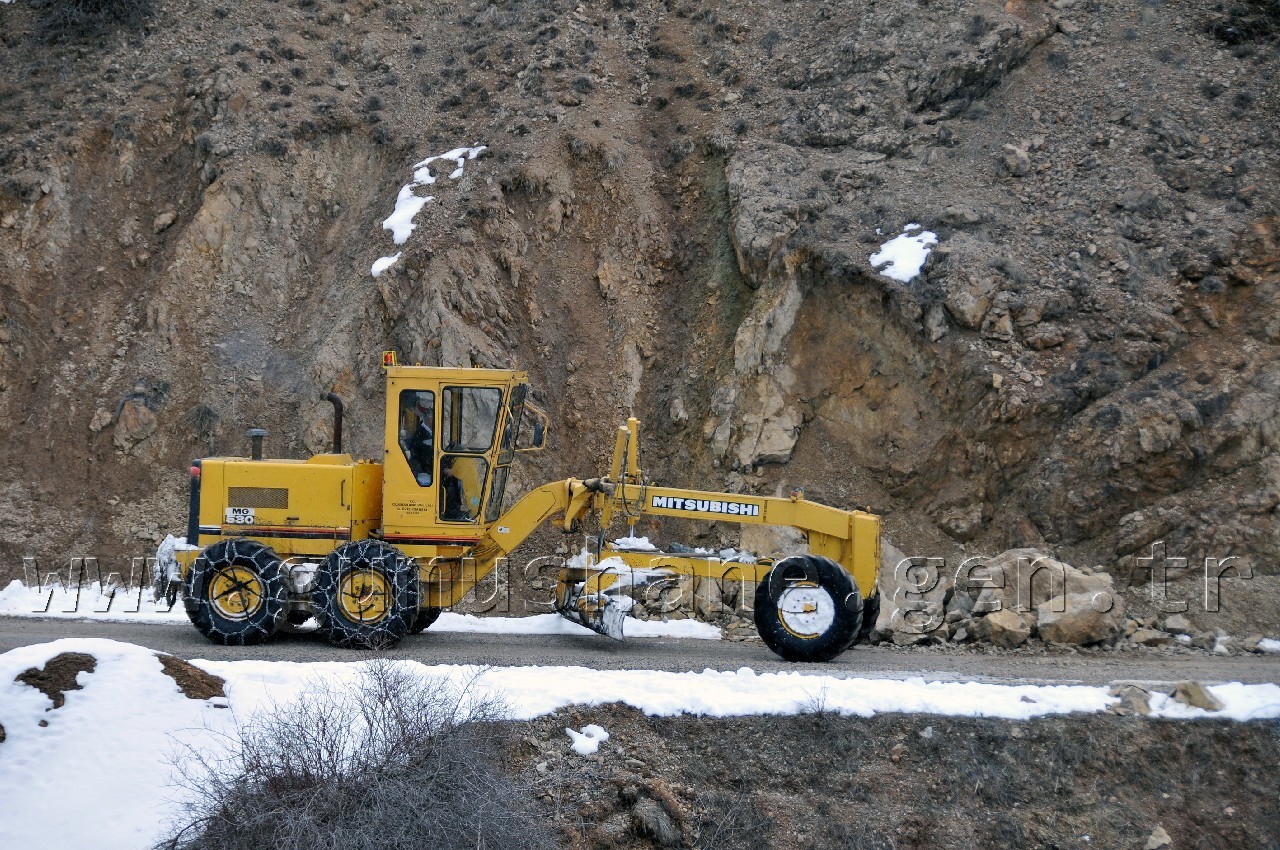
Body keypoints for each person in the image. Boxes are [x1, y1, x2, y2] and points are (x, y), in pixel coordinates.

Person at [406, 393, 434, 485]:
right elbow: (425, 457)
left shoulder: (427, 433)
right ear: (430, 420)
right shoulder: (421, 434)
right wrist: (442, 468)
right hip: (424, 470)